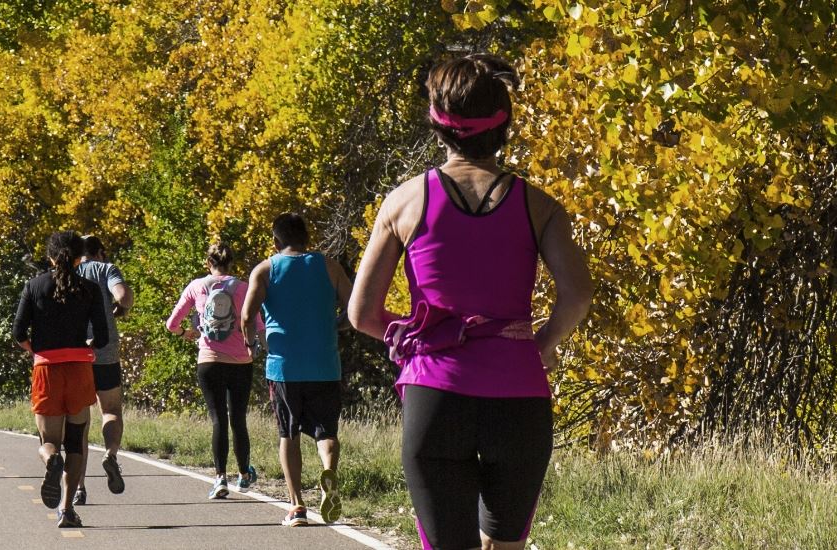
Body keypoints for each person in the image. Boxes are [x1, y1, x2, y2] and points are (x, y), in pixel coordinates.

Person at [349, 54, 592, 550]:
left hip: (436, 397)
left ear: (438, 127)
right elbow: (578, 294)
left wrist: (425, 335)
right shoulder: (540, 206)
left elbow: (362, 315)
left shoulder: (404, 202)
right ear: (504, 127)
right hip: (519, 397)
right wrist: (543, 342)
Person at [241, 212, 355, 526]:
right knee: (326, 432)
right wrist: (338, 325)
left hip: (283, 367)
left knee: (287, 433)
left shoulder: (265, 269)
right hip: (325, 364)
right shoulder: (329, 266)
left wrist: (252, 345)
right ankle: (328, 471)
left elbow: (247, 315)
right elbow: (355, 305)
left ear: (276, 241)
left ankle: (297, 506)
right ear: (307, 238)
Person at [11, 231, 109, 528]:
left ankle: (52, 459)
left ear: (51, 256)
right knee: (76, 443)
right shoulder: (90, 288)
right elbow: (102, 337)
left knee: (48, 441)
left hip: (47, 371)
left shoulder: (34, 286)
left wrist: (36, 351)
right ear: (80, 257)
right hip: (79, 371)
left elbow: (18, 333)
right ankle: (67, 510)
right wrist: (83, 351)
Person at [166, 242, 264, 500]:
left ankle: (220, 477)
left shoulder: (196, 287)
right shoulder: (243, 287)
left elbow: (171, 324)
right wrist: (256, 346)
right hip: (241, 361)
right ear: (231, 263)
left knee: (218, 419)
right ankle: (244, 475)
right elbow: (258, 324)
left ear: (208, 263)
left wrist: (185, 333)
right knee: (238, 419)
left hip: (208, 361)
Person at [73, 234, 133, 505]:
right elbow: (124, 295)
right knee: (110, 411)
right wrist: (119, 309)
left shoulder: (67, 272)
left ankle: (78, 487)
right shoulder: (106, 269)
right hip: (105, 352)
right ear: (100, 251)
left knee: (79, 421)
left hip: (75, 353)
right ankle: (110, 454)